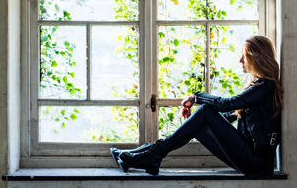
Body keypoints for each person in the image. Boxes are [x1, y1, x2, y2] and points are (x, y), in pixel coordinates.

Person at [111, 36, 283, 176]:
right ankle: (143, 154)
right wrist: (195, 120)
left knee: (205, 111)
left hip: (257, 163)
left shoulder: (265, 85)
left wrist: (196, 97)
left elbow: (227, 104)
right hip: (248, 159)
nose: (240, 60)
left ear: (256, 58)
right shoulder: (259, 86)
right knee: (200, 121)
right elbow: (229, 117)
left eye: (243, 56)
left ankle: (152, 155)